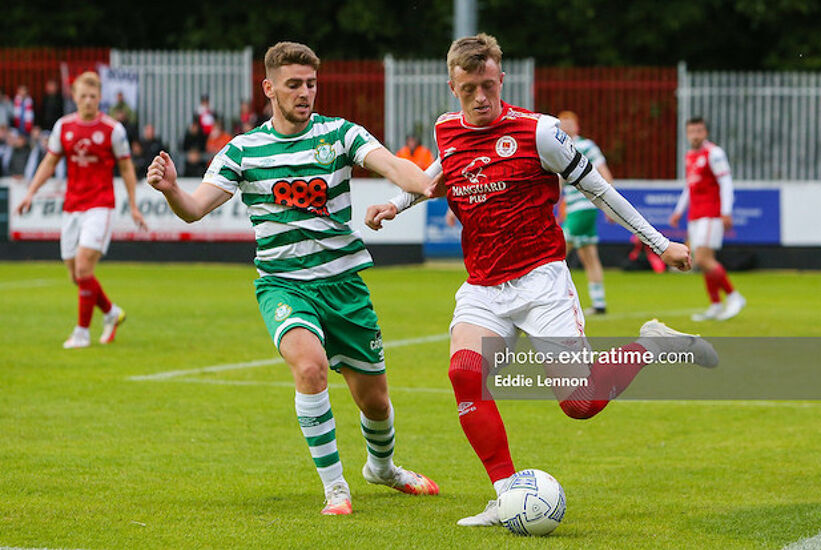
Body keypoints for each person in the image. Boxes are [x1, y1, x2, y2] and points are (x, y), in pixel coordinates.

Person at [365, 34, 717, 526]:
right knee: (465, 375)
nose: (481, 97)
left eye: (488, 85)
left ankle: (651, 345)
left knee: (580, 403)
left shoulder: (540, 132)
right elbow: (438, 176)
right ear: (453, 86)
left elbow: (600, 191)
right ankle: (507, 495)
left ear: (501, 78)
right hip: (484, 286)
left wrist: (661, 244)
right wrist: (396, 204)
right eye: (469, 89)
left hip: (541, 281)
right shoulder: (448, 130)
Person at [146, 41, 440, 516]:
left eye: (310, 84)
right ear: (269, 88)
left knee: (376, 403)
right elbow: (195, 209)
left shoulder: (341, 134)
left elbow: (390, 164)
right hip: (284, 285)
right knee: (309, 368)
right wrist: (171, 190)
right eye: (294, 85)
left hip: (344, 284)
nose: (305, 93)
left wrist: (421, 182)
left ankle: (382, 468)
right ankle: (336, 488)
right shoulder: (244, 150)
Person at [15, 71, 147, 349]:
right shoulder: (63, 127)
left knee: (85, 265)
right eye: (83, 96)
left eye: (93, 96)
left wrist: (133, 205)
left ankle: (81, 333)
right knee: (76, 275)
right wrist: (30, 193)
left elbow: (125, 168)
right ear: (74, 97)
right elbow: (49, 163)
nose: (88, 101)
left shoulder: (113, 130)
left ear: (100, 98)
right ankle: (111, 313)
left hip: (100, 205)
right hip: (72, 206)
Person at [669, 117, 746, 321]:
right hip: (695, 215)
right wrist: (679, 211)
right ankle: (715, 304)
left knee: (703, 258)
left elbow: (726, 182)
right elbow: (690, 186)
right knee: (703, 261)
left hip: (711, 214)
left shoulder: (714, 153)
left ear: (706, 133)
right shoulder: (689, 156)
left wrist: (726, 211)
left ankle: (734, 296)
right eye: (692, 131)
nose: (695, 135)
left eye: (699, 131)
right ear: (687, 134)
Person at [557, 110, 613, 314]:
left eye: (569, 123)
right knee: (589, 256)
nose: (565, 126)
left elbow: (605, 173)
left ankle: (552, 301)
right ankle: (599, 303)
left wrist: (610, 205)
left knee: (555, 253)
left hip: (585, 207)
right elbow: (560, 184)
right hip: (574, 208)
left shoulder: (586, 146)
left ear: (577, 126)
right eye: (561, 123)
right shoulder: (559, 148)